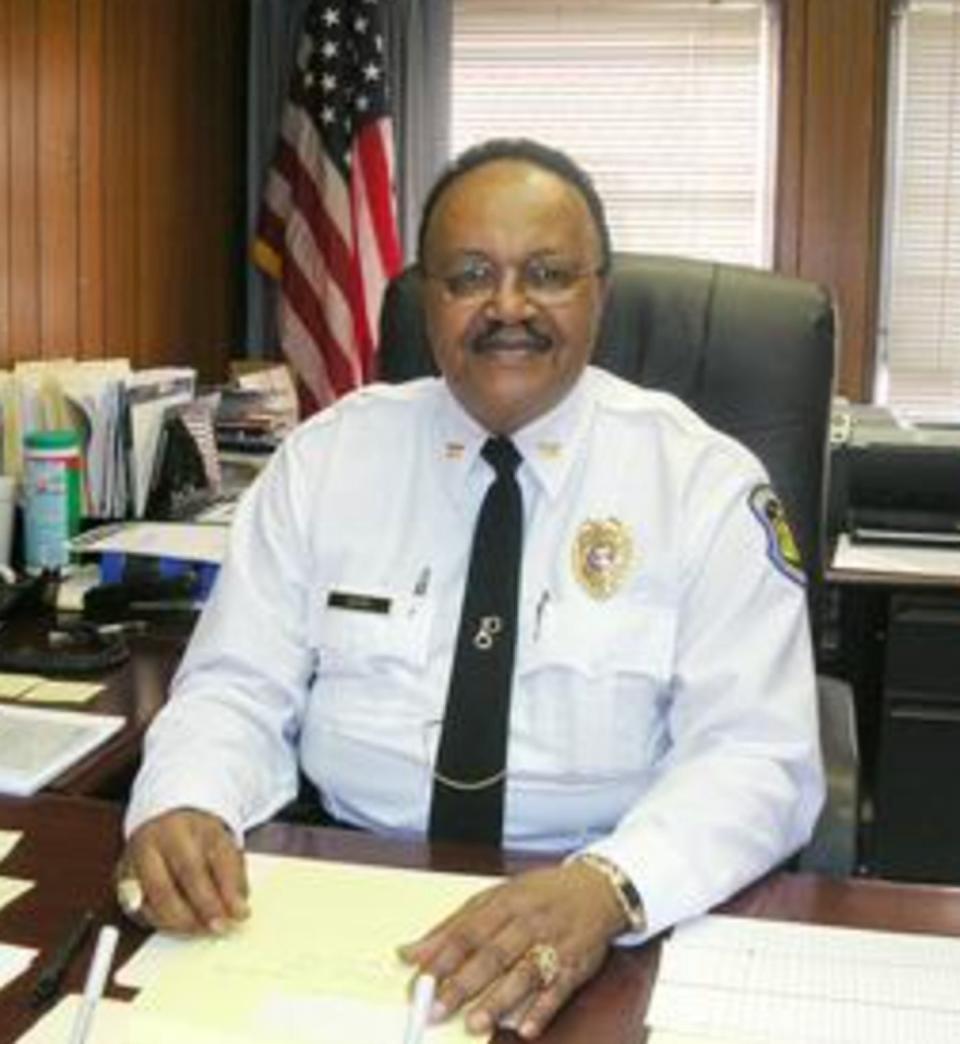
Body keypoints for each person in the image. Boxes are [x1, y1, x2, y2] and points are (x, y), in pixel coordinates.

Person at [119, 138, 824, 1040]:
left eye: (548, 274)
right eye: (469, 276)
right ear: (427, 298)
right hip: (337, 900)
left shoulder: (703, 485)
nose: (509, 307)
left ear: (599, 292)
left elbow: (758, 756)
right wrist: (186, 800)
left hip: (609, 913)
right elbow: (234, 687)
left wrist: (608, 886)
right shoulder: (326, 461)